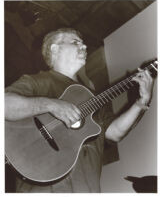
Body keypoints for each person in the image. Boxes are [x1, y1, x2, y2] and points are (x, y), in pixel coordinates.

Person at [5, 28, 154, 193]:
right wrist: (51, 105)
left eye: (83, 44)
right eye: (75, 42)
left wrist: (142, 102)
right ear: (55, 49)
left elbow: (114, 133)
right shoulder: (38, 81)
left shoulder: (96, 99)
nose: (84, 47)